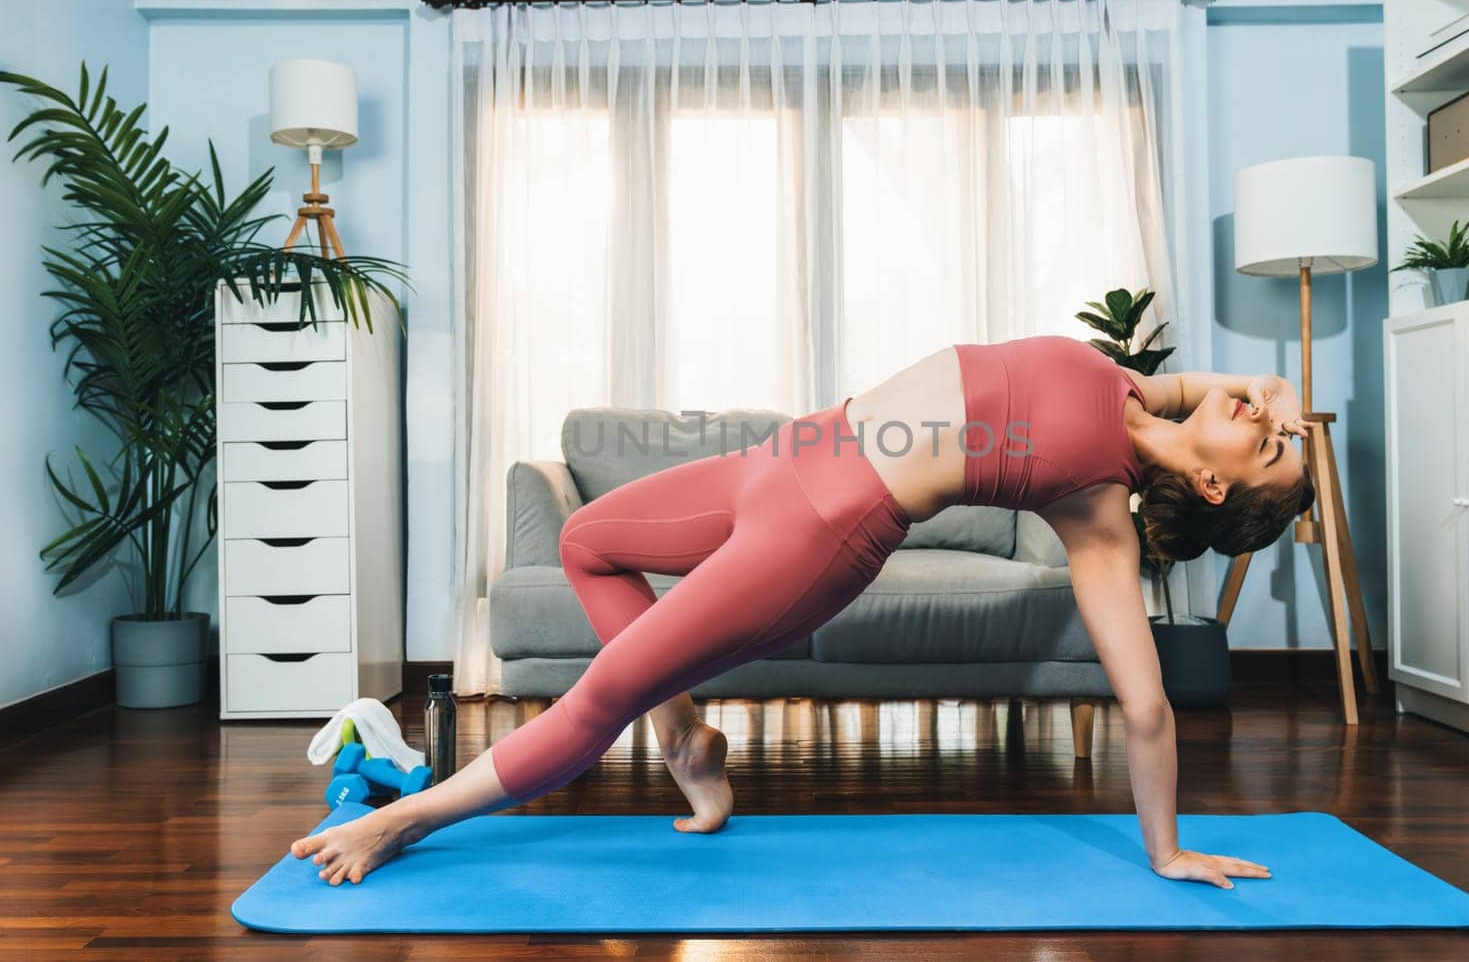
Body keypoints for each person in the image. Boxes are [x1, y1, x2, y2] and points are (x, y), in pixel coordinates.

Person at [292, 334, 1313, 889]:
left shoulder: (1097, 513)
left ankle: (404, 819)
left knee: (602, 692)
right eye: (1274, 422)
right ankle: (688, 735)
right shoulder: (1137, 387)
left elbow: (1144, 705)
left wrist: (1167, 847)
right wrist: (1270, 406)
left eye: (1268, 444)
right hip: (777, 459)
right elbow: (1248, 381)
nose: (1264, 415)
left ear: (1219, 493)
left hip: (819, 529)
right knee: (585, 541)